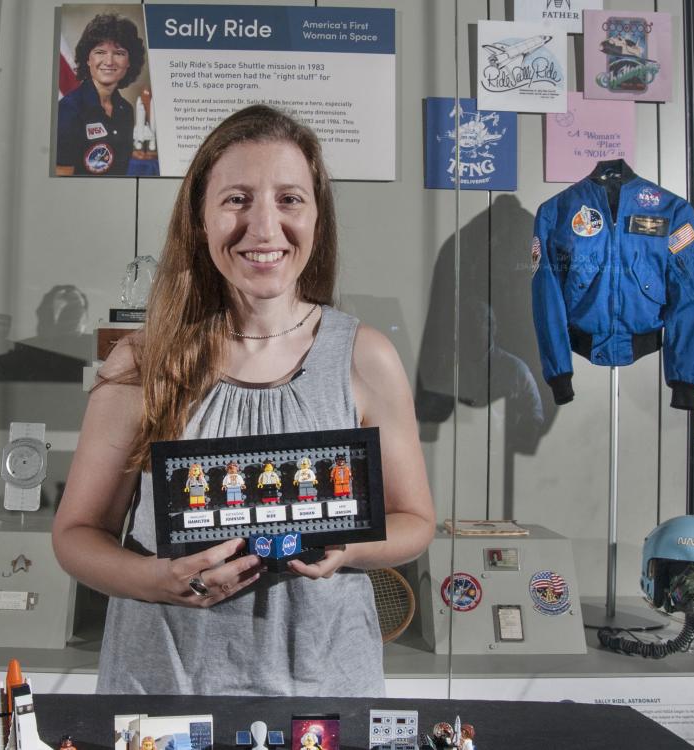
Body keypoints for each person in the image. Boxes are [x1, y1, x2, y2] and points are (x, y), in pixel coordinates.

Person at [52, 105, 435, 696]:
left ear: (317, 218)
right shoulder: (141, 360)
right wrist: (156, 579)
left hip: (323, 689)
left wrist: (348, 545)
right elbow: (76, 533)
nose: (263, 228)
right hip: (164, 686)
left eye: (289, 199)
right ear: (200, 220)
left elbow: (415, 522)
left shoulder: (366, 355)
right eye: (236, 199)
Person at [55, 13, 144, 176]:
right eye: (100, 52)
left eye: (119, 53)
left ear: (130, 62)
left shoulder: (126, 110)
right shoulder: (69, 110)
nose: (109, 61)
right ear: (87, 58)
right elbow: (62, 180)